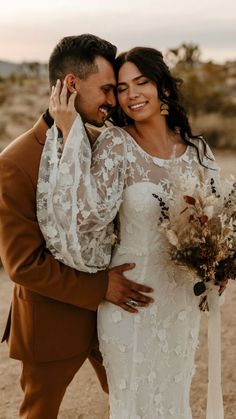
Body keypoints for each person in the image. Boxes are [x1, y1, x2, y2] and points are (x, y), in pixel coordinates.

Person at [37, 46, 221, 418]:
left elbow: (217, 217)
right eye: (121, 88)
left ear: (164, 89)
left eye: (142, 82)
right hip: (131, 300)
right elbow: (87, 213)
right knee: (133, 403)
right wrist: (70, 128)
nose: (131, 94)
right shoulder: (116, 144)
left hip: (180, 301)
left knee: (173, 398)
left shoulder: (199, 151)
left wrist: (217, 260)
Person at [0, 35, 154, 419]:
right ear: (71, 85)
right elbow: (23, 264)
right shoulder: (15, 163)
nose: (113, 101)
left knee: (133, 404)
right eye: (106, 89)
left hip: (115, 318)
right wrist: (102, 286)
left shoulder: (107, 145)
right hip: (50, 323)